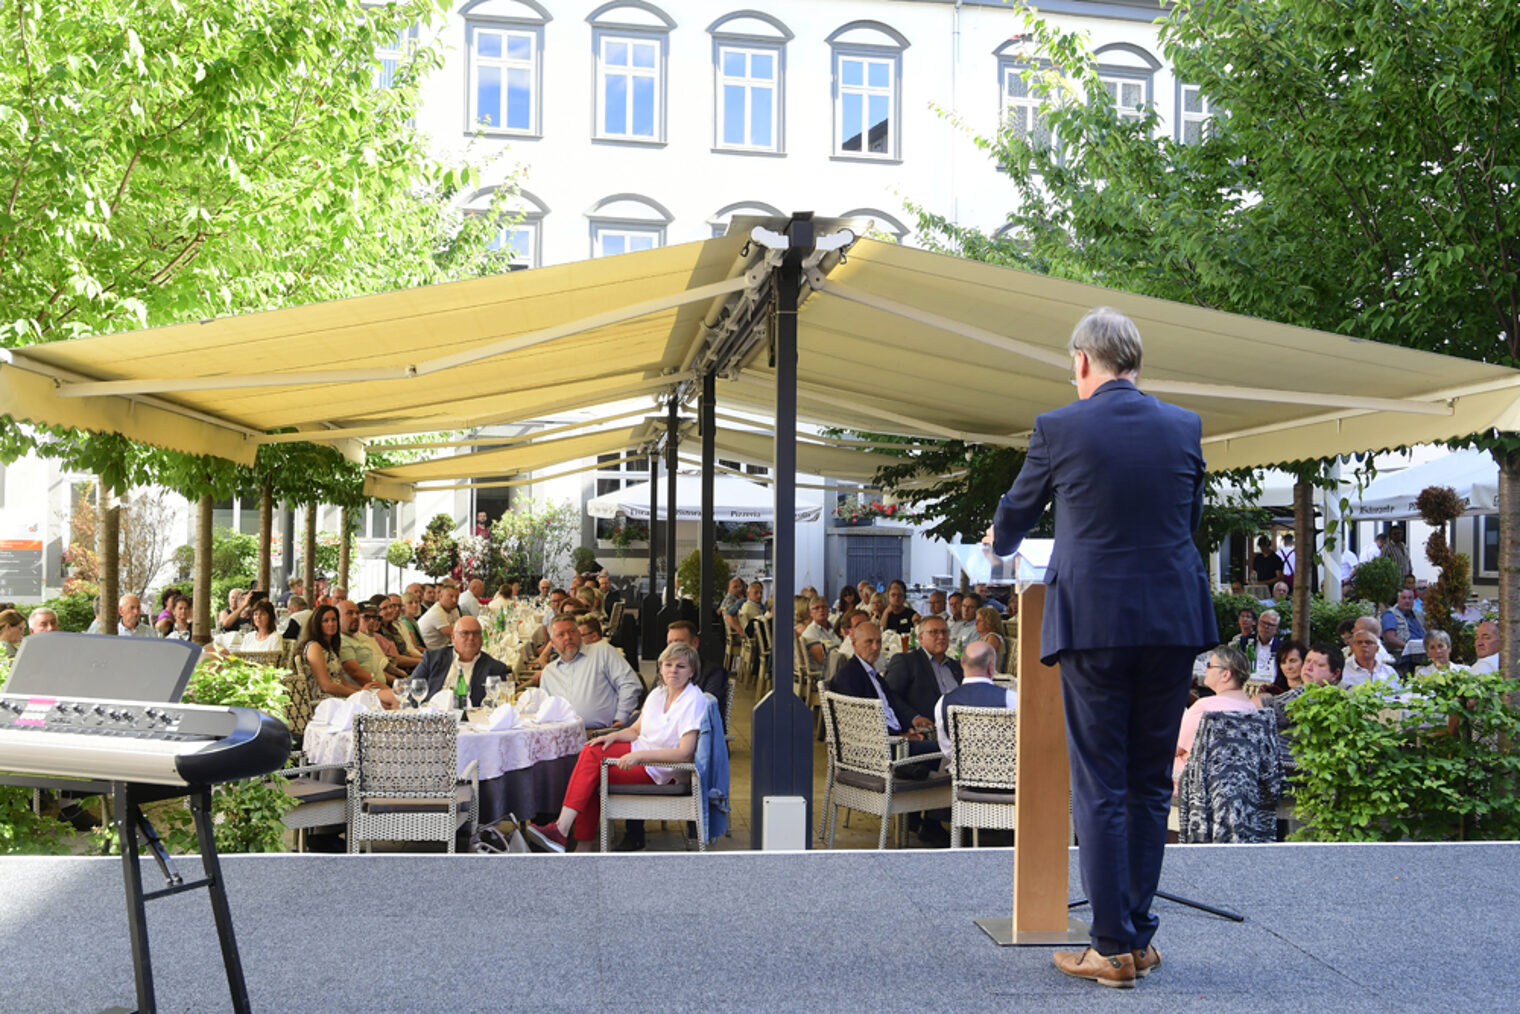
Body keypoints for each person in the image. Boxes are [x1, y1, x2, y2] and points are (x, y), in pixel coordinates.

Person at [990, 307, 1216, 988]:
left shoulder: (1059, 427)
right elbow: (1189, 519)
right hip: (1172, 619)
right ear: (1135, 361)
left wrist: (1000, 541)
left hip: (1093, 622)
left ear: (1084, 361)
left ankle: (1110, 946)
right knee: (1149, 782)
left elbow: (1017, 513)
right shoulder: (1184, 425)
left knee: (1101, 784)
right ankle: (1137, 938)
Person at [526, 641, 707, 853]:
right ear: (660, 667)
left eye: (681, 666)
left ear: (692, 671)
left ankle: (569, 836)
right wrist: (612, 736)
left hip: (661, 769)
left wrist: (640, 756)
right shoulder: (659, 693)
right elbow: (636, 730)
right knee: (592, 750)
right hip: (640, 750)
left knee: (590, 775)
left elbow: (685, 753)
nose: (673, 670)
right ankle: (566, 833)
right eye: (668, 664)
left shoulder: (693, 700)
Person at [832, 620, 948, 846]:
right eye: (869, 642)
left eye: (878, 642)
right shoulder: (849, 676)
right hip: (879, 751)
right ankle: (932, 823)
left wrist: (908, 730)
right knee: (947, 752)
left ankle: (915, 815)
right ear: (854, 644)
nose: (876, 647)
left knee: (939, 750)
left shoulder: (872, 674)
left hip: (895, 742)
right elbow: (860, 725)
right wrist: (899, 737)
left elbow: (890, 707)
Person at [1173, 645, 1258, 791]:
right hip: (1238, 782)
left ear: (1225, 675)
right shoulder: (1252, 708)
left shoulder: (1205, 707)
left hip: (1197, 782)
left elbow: (1173, 748)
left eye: (1209, 665)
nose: (1205, 669)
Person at [539, 615, 642, 729]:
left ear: (579, 634)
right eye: (561, 635)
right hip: (564, 735)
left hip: (604, 732)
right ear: (553, 644)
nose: (568, 637)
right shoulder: (549, 673)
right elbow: (545, 710)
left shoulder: (602, 652)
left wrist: (622, 717)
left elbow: (629, 683)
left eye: (572, 632)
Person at [299, 604, 396, 705]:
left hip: (340, 697)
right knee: (383, 703)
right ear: (317, 624)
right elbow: (326, 686)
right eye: (325, 621)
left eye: (334, 620)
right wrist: (359, 694)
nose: (331, 624)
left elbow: (344, 683)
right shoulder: (314, 646)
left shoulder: (331, 648)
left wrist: (362, 691)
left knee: (389, 699)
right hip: (326, 701)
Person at [933, 640, 1016, 756]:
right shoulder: (1010, 698)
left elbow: (947, 749)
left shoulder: (943, 702)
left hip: (962, 767)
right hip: (1005, 765)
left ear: (962, 663)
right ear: (991, 667)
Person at [415, 615, 509, 706]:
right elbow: (413, 690)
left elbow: (497, 704)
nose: (471, 637)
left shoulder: (495, 668)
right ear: (453, 637)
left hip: (470, 716)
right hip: (432, 712)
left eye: (476, 633)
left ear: (481, 638)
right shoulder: (433, 658)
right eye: (465, 633)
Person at [886, 614, 963, 720]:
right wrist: (914, 718)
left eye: (944, 632)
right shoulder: (907, 662)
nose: (941, 636)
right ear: (921, 638)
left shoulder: (957, 666)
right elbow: (890, 695)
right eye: (934, 632)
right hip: (926, 726)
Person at [1381, 587, 1425, 657]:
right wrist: (1409, 647)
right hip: (1402, 655)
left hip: (1423, 651)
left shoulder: (1418, 616)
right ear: (1398, 600)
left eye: (1410, 598)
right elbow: (1389, 639)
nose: (1407, 601)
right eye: (1404, 598)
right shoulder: (1391, 615)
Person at [800, 596, 842, 668]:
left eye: (824, 607)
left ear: (828, 610)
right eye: (816, 608)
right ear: (810, 613)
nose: (821, 610)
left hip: (840, 662)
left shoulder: (836, 626)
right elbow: (822, 660)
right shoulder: (810, 632)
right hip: (826, 670)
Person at [418, 582, 460, 650]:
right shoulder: (436, 612)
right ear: (440, 596)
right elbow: (455, 636)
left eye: (457, 597)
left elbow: (460, 629)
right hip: (431, 651)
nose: (454, 600)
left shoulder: (453, 609)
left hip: (444, 647)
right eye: (451, 596)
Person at [973, 606, 1007, 672]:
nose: (976, 623)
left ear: (989, 622)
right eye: (976, 620)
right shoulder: (982, 638)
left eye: (980, 621)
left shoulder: (992, 637)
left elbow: (986, 660)